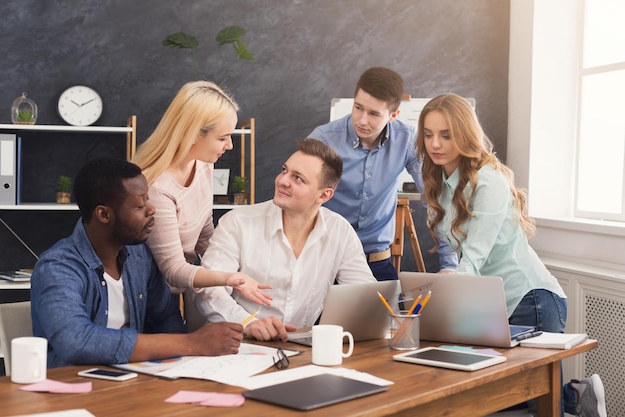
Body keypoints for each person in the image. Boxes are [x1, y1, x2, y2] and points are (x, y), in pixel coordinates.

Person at [416, 93, 606, 417]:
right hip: (492, 302)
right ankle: (578, 394)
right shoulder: (443, 182)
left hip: (530, 300)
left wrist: (441, 290)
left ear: (464, 132)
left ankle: (572, 397)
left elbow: (474, 258)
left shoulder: (488, 180)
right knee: (501, 395)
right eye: (429, 134)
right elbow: (459, 255)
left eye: (446, 134)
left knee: (538, 405)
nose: (436, 143)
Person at [31, 158, 244, 368]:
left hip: (135, 385)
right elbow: (76, 341)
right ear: (104, 214)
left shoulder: (139, 256)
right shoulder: (58, 267)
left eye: (148, 199)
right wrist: (191, 343)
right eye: (140, 205)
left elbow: (167, 320)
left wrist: (181, 363)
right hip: (72, 390)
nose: (152, 210)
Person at [193, 138, 376, 342]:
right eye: (284, 170)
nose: (282, 180)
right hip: (240, 345)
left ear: (324, 196)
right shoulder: (238, 223)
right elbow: (208, 291)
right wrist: (248, 324)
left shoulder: (340, 231)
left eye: (298, 178)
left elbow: (364, 296)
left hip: (301, 350)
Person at [309, 66, 457, 281]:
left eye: (374, 114)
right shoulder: (324, 139)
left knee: (394, 314)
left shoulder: (407, 141)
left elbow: (435, 202)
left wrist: (450, 265)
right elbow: (297, 198)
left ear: (393, 115)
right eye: (358, 107)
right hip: (325, 260)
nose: (361, 120)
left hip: (376, 263)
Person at [131, 81, 271, 305]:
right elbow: (173, 270)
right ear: (194, 134)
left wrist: (246, 268)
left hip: (178, 295)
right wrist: (230, 278)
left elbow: (205, 236)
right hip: (148, 301)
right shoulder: (157, 187)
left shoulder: (204, 165)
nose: (230, 146)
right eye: (223, 138)